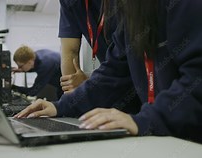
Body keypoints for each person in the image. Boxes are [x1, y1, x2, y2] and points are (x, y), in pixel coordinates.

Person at [15, 0, 202, 143]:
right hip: (167, 137)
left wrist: (148, 119)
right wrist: (61, 106)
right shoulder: (131, 14)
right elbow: (112, 74)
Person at [58, 0, 116, 93]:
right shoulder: (70, 3)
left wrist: (93, 83)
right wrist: (74, 96)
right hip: (111, 75)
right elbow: (70, 51)